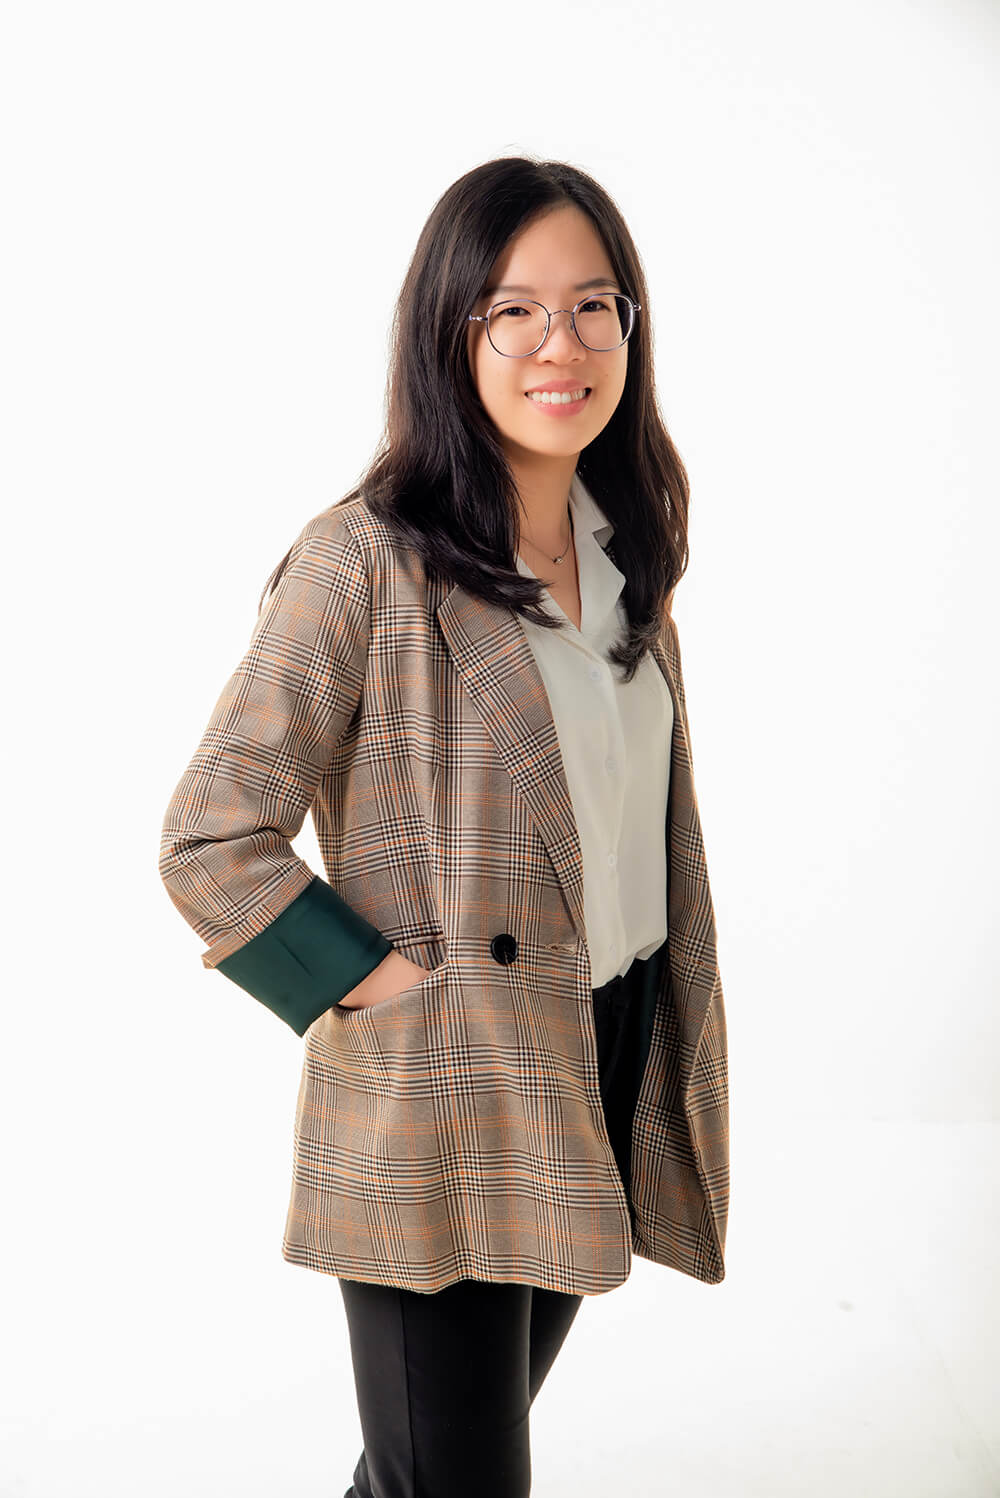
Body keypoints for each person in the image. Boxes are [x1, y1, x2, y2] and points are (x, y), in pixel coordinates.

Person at [159, 155, 729, 1498]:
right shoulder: (366, 558)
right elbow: (210, 833)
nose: (561, 345)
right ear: (449, 332)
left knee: (424, 1470)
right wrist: (376, 986)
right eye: (513, 311)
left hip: (601, 1045)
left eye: (597, 308)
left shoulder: (623, 541)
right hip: (444, 1087)